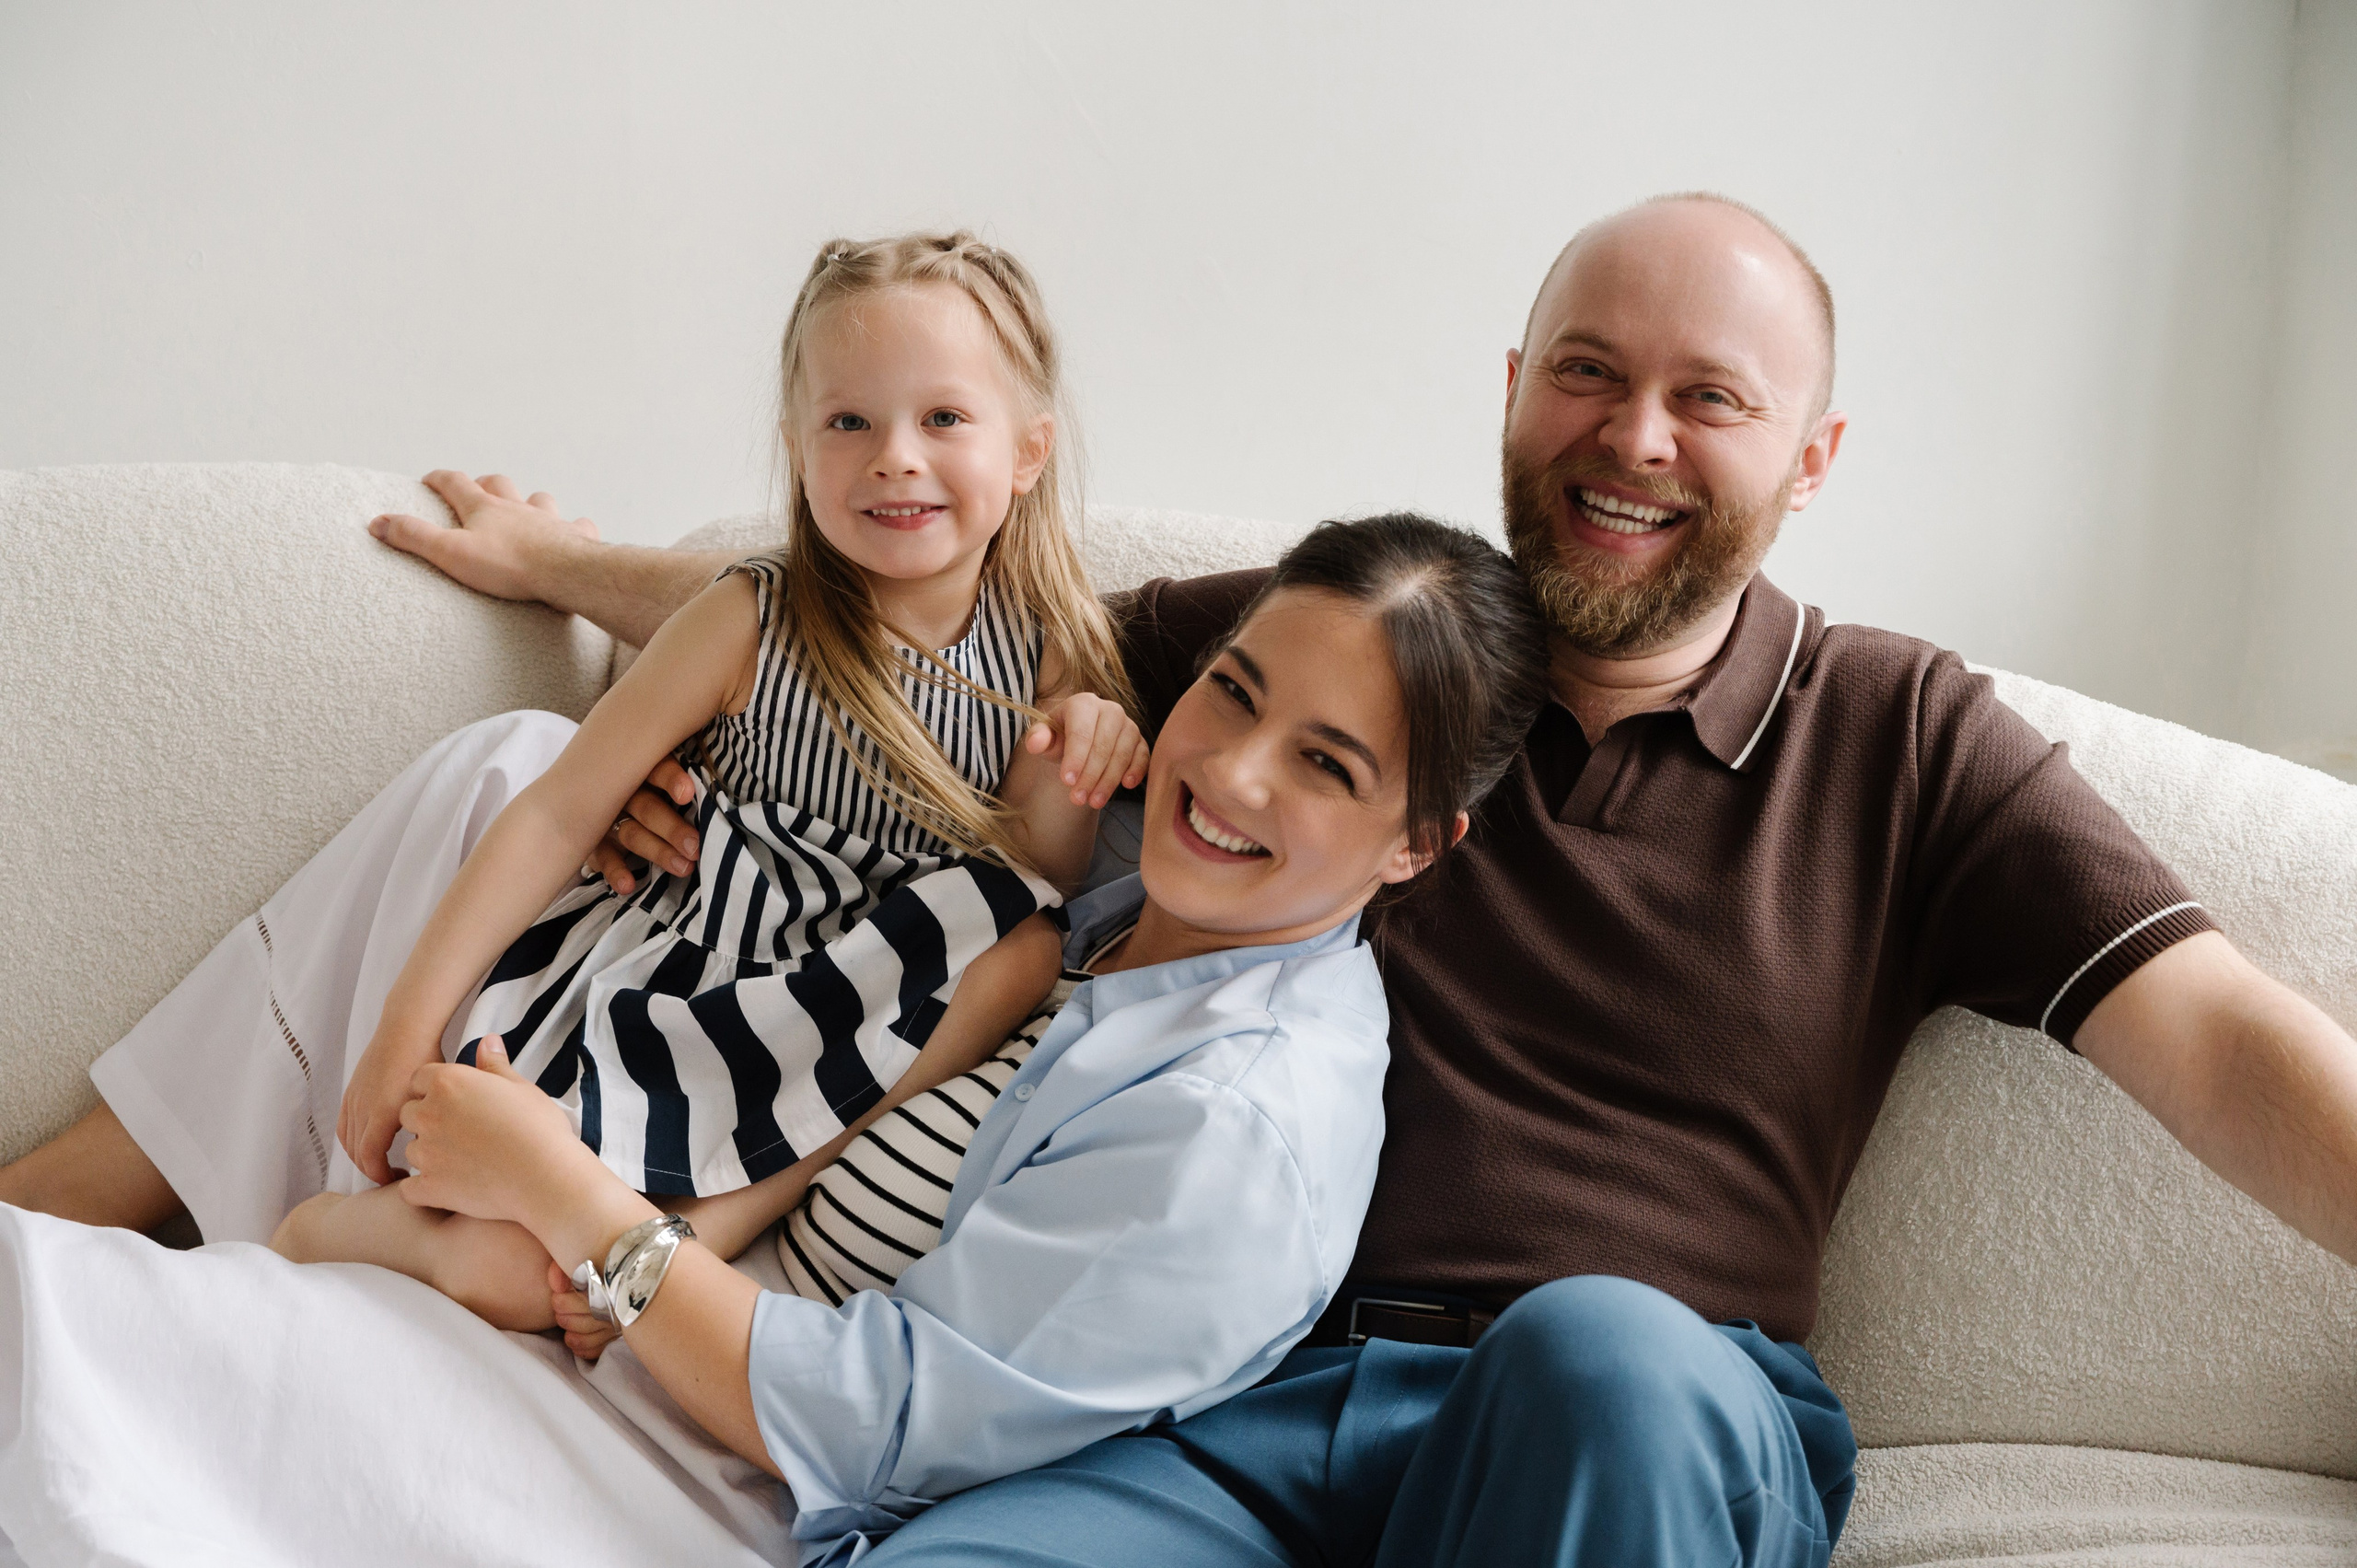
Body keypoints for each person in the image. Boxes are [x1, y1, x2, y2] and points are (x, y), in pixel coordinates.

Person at [247, 192, 2357, 1565]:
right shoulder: (1324, 639)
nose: (1630, 435)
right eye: (1585, 371)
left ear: (1805, 458)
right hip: (1240, 1397)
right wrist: (585, 601)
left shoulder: (1899, 736)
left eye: (1704, 399)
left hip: (1629, 1406)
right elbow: (907, 627)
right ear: (1511, 393)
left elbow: (2226, 1044)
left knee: (1595, 1356)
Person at [0, 512, 1552, 1564]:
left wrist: (566, 1197)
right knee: (515, 770)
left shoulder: (1233, 1131)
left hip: (712, 1463)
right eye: (1232, 691)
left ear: (1418, 843)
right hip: (649, 1248)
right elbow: (868, 619)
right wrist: (564, 583)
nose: (1233, 772)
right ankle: (90, 1188)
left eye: (1327, 765)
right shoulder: (1130, 843)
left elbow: (864, 1425)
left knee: (62, 1352)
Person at [258, 229, 1170, 1327]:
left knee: (1019, 941)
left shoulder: (1046, 648)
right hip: (689, 991)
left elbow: (1031, 880)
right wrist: (400, 1032)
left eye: (942, 418)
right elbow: (557, 812)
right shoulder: (750, 615)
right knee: (518, 1277)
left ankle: (703, 1233)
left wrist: (1078, 750)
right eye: (849, 421)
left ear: (1026, 452)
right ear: (798, 450)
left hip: (844, 1022)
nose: (893, 455)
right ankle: (330, 1232)